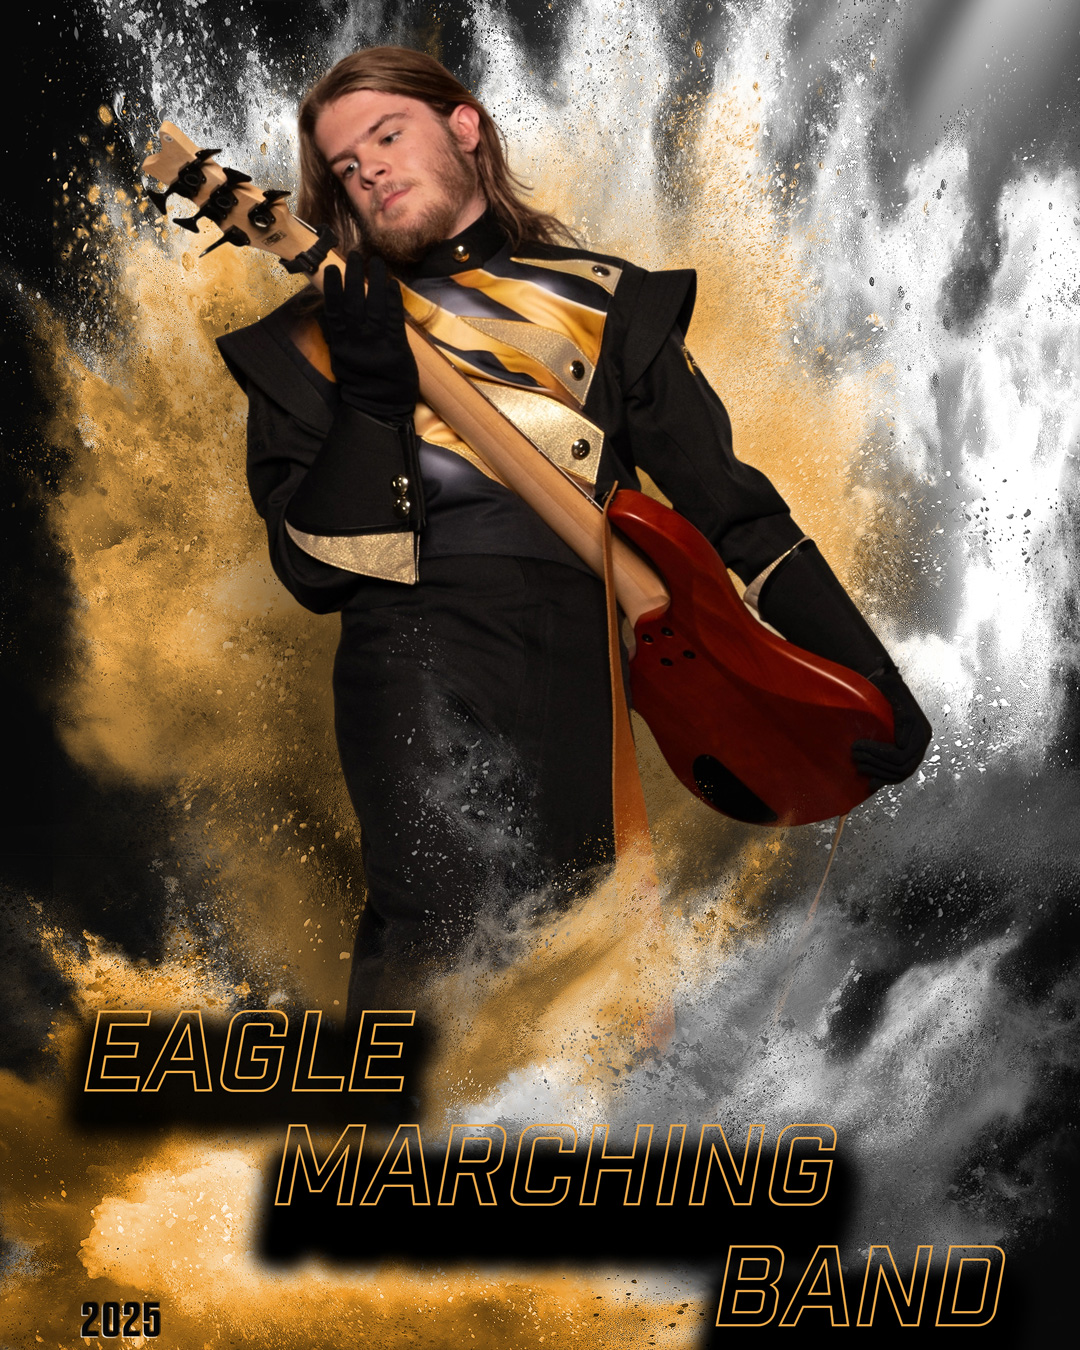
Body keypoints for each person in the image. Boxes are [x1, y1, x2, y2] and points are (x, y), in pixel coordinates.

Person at [217, 46, 930, 1016]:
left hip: (587, 657)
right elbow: (316, 571)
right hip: (413, 638)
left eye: (389, 134)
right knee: (435, 936)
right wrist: (374, 402)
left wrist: (866, 678)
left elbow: (734, 509)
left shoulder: (607, 299)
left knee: (562, 961)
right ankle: (377, 1158)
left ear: (463, 125)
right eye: (346, 163)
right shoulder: (313, 335)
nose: (369, 167)